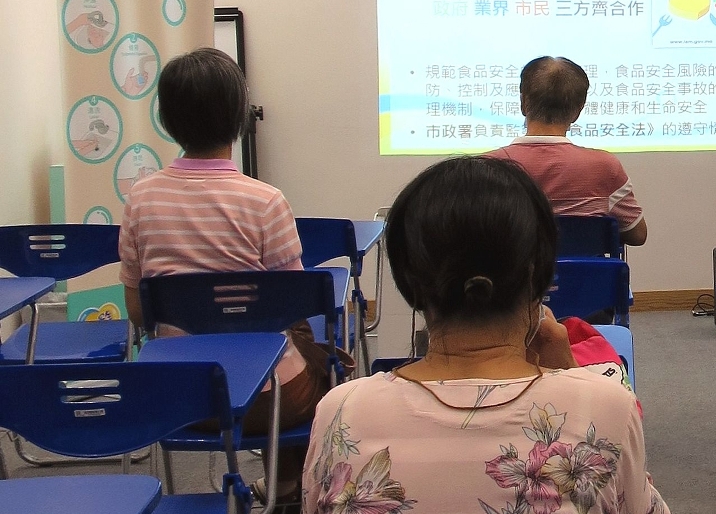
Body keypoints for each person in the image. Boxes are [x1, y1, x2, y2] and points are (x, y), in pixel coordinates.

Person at [301, 156, 668, 514]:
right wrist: (573, 376)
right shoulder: (606, 408)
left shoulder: (342, 411)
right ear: (540, 277)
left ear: (409, 285)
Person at [118, 47, 330, 510]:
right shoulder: (266, 201)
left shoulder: (140, 200)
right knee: (315, 358)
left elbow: (138, 312)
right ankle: (287, 487)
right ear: (239, 117)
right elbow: (292, 304)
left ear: (166, 118)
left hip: (176, 399)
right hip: (271, 402)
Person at [489, 56, 648, 246]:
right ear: (578, 110)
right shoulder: (605, 167)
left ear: (523, 102)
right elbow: (637, 235)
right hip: (584, 266)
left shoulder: (487, 167)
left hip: (516, 266)